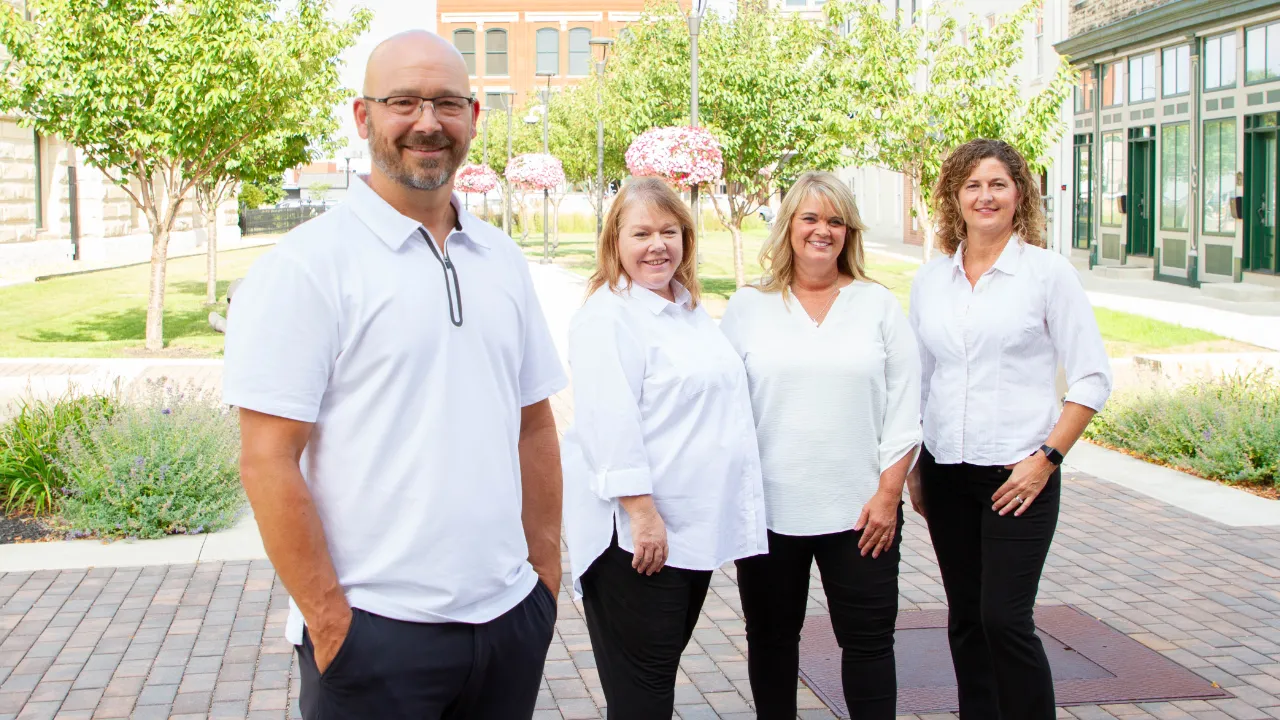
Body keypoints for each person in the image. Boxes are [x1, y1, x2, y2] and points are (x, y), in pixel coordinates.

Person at [222, 31, 566, 720]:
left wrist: (543, 580)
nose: (427, 122)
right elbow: (267, 461)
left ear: (474, 115)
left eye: (446, 102)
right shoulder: (307, 267)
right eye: (403, 101)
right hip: (375, 639)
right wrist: (332, 626)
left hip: (507, 626)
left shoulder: (501, 259)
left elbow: (533, 424)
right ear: (363, 117)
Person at [906, 138, 1112, 719]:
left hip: (1019, 475)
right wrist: (919, 470)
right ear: (954, 196)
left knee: (1005, 619)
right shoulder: (931, 282)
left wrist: (1045, 459)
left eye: (998, 183)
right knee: (967, 620)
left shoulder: (1047, 275)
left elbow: (1092, 379)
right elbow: (923, 384)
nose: (985, 195)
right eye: (972, 185)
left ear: (1019, 193)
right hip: (946, 474)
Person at [561, 177, 768, 718]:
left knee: (653, 678)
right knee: (642, 693)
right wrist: (642, 513)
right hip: (639, 540)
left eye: (669, 231)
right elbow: (609, 424)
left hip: (687, 534)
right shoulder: (608, 317)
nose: (658, 245)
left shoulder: (683, 306)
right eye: (641, 233)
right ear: (614, 244)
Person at [720, 171, 921, 719]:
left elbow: (906, 406)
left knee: (870, 643)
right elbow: (723, 409)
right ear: (788, 227)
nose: (822, 231)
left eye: (835, 221)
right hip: (769, 513)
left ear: (849, 232)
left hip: (862, 513)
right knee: (771, 640)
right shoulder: (747, 308)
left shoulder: (877, 306)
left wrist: (888, 494)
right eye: (810, 218)